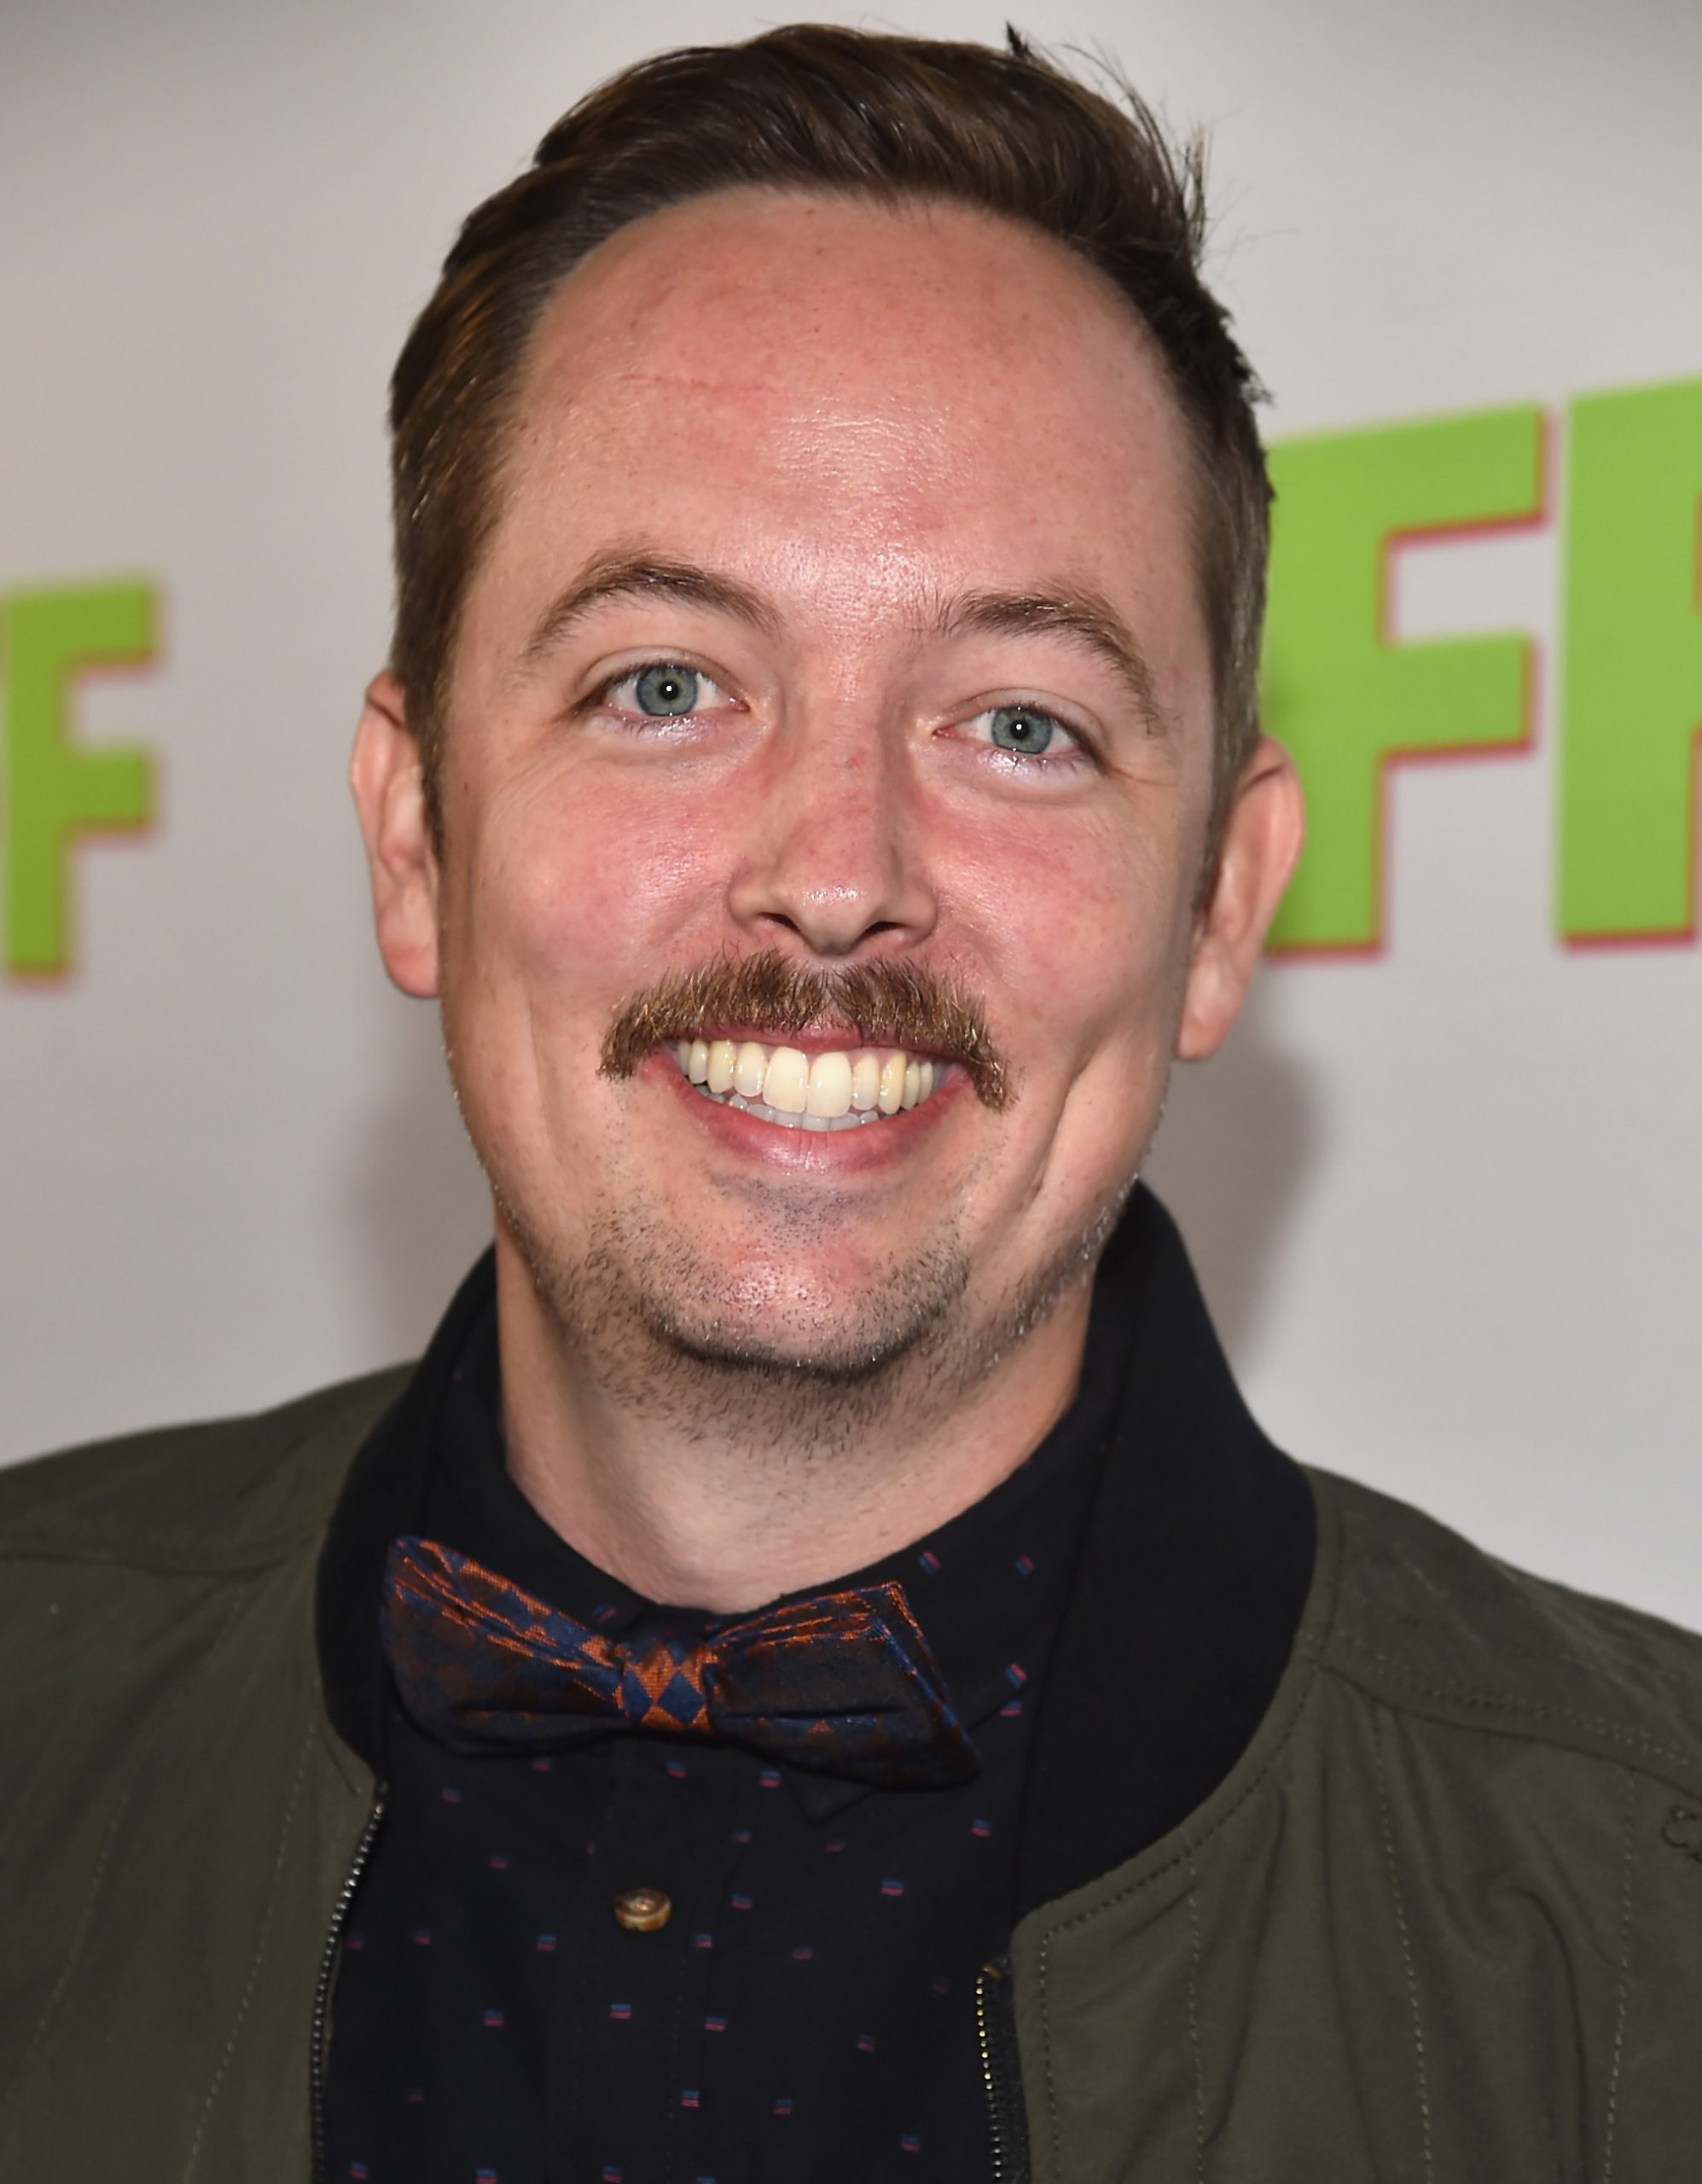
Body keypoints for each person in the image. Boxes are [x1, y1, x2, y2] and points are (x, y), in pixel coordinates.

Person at [3, 23, 1701, 2183]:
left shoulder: (1644, 1924)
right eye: (664, 684)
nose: (835, 873)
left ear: (1217, 901)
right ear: (416, 834)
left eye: (1018, 721)